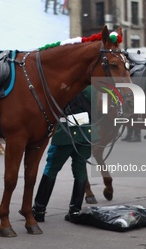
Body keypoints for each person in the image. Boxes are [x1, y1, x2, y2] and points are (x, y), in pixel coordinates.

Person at [32, 86, 97, 223]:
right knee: (80, 169)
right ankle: (75, 211)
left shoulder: (66, 84)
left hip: (65, 133)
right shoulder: (92, 87)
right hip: (87, 133)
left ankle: (39, 210)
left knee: (51, 169)